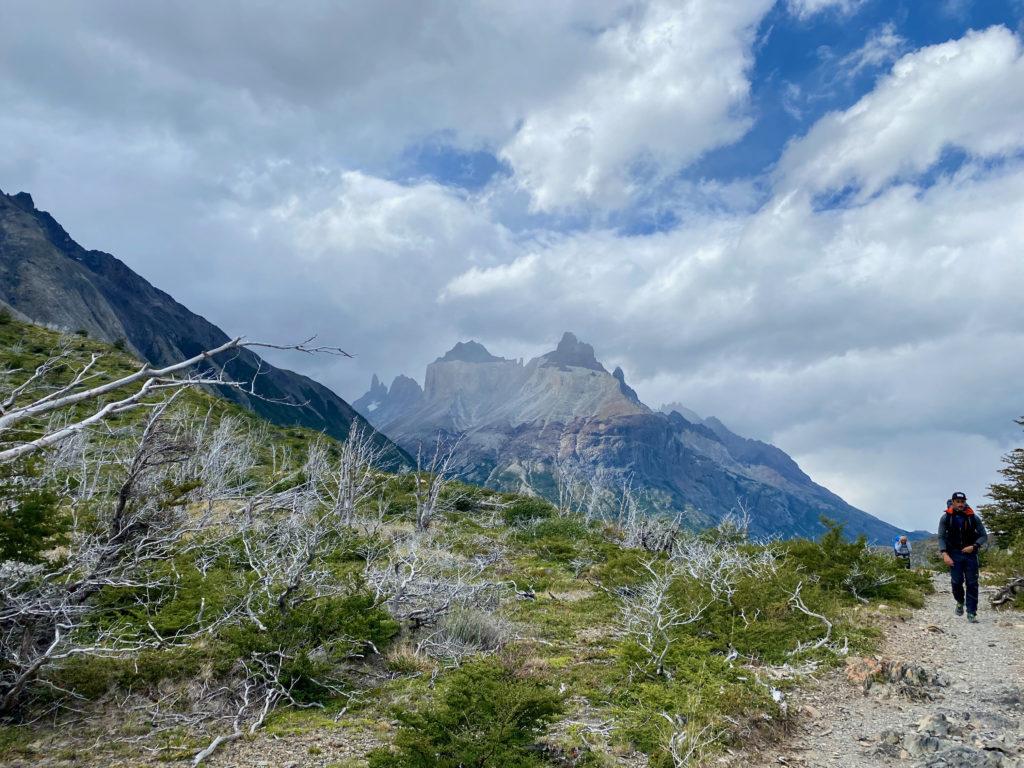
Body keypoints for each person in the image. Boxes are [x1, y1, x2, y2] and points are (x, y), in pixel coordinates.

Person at [938, 491, 988, 623]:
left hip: (971, 554)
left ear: (965, 502)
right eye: (958, 502)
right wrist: (945, 554)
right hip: (954, 554)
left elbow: (984, 535)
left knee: (972, 583)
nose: (960, 504)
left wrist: (975, 546)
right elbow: (941, 537)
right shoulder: (946, 518)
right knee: (956, 581)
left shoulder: (973, 517)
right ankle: (960, 601)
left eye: (962, 502)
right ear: (953, 502)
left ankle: (971, 613)